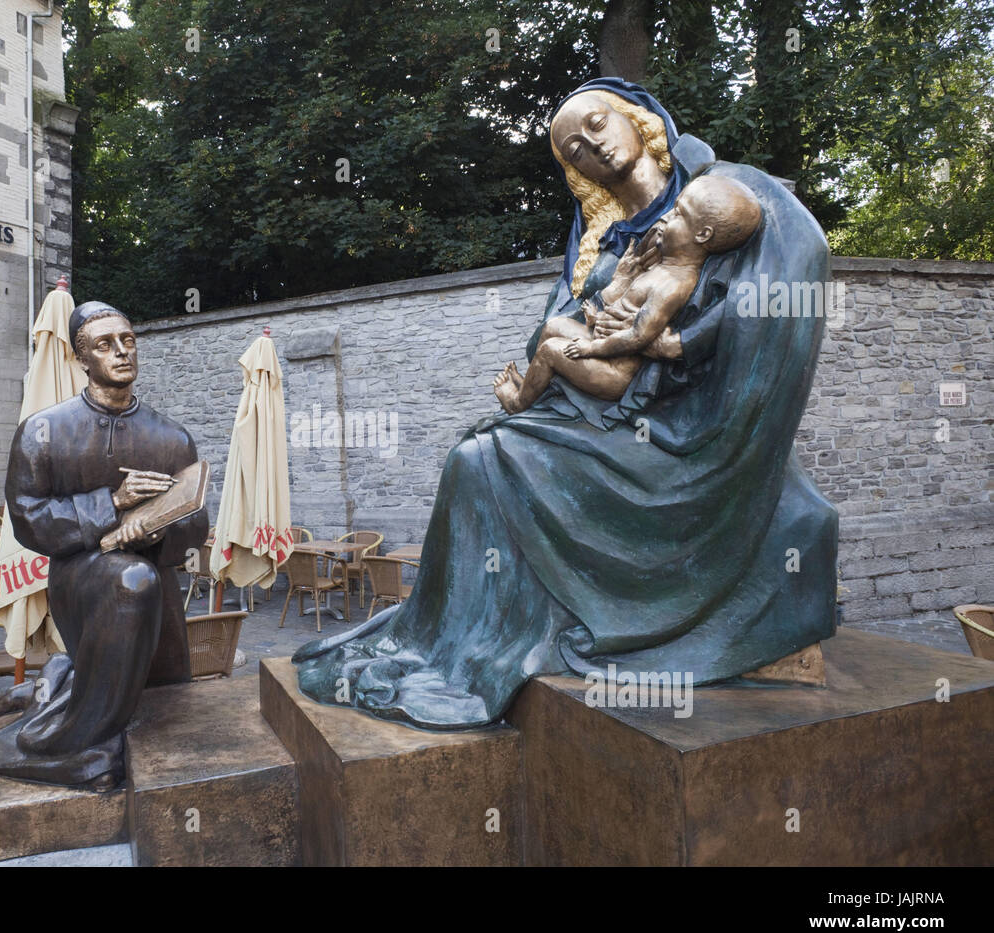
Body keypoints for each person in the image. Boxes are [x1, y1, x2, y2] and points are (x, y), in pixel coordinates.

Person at [293, 78, 839, 729]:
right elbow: (554, 329)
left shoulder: (716, 198)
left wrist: (665, 347)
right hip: (590, 404)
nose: (591, 147)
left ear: (638, 120)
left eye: (597, 124)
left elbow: (777, 276)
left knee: (483, 457)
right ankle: (459, 632)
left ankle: (515, 633)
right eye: (573, 149)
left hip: (677, 425)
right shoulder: (601, 240)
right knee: (475, 452)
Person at [0, 300, 208, 789]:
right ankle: (72, 736)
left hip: (156, 582)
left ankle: (67, 682)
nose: (122, 352)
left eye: (128, 341)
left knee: (167, 702)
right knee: (130, 578)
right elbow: (28, 520)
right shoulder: (44, 431)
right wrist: (111, 504)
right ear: (82, 359)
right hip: (82, 577)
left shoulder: (171, 437)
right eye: (105, 345)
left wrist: (160, 526)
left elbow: (197, 520)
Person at [493, 176, 762, 410]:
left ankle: (518, 404)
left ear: (702, 234)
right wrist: (598, 318)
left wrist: (591, 347)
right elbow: (625, 311)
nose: (666, 216)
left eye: (679, 213)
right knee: (553, 326)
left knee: (552, 350)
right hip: (603, 347)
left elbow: (637, 337)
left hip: (615, 372)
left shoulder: (674, 285)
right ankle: (534, 387)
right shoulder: (660, 265)